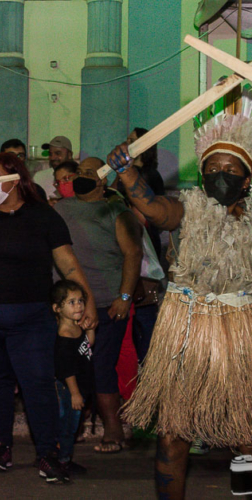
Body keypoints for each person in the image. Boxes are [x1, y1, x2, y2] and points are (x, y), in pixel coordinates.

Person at [107, 102, 252, 499]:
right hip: (187, 330)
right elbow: (154, 210)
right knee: (173, 434)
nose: (219, 176)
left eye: (231, 170)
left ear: (248, 178)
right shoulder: (187, 209)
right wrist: (127, 171)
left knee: (247, 434)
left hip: (241, 332)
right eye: (212, 169)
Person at [0, 152, 97, 483]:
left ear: (15, 178)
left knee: (38, 387)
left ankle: (47, 453)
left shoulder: (43, 216)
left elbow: (68, 263)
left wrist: (86, 302)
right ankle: (0, 448)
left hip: (31, 320)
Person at [53, 157, 143, 454]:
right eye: (78, 172)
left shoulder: (115, 210)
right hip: (68, 306)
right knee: (68, 368)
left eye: (88, 173)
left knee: (101, 366)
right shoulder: (59, 209)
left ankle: (113, 431)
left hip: (106, 303)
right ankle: (71, 429)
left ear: (103, 180)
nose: (80, 177)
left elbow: (133, 255)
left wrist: (124, 297)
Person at [51, 279, 94, 477]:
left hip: (81, 386)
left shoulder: (76, 328)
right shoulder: (65, 335)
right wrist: (75, 394)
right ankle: (61, 461)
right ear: (57, 308)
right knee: (67, 426)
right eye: (71, 302)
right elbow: (66, 369)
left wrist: (90, 329)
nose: (78, 305)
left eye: (80, 301)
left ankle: (64, 458)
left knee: (72, 425)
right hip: (70, 388)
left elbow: (87, 345)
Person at [33, 136, 74, 200]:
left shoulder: (78, 177)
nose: (52, 158)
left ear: (69, 155)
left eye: (58, 153)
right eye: (50, 154)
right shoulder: (39, 177)